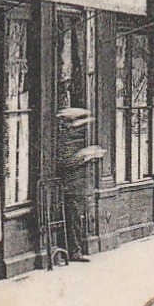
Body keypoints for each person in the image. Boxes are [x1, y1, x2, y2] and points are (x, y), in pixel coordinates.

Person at [55, 108, 98, 260]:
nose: (81, 128)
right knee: (73, 219)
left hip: (79, 186)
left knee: (77, 219)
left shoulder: (76, 139)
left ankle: (76, 249)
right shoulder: (64, 139)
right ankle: (74, 251)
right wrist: (82, 157)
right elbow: (63, 163)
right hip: (69, 187)